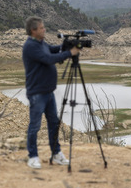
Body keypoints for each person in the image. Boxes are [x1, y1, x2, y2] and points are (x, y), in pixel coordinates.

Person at [22, 16, 80, 169]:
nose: (44, 29)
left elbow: (52, 49)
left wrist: (65, 46)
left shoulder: (40, 43)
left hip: (48, 92)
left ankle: (56, 153)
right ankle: (33, 156)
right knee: (35, 125)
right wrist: (70, 53)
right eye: (41, 28)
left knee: (54, 123)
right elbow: (48, 58)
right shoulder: (30, 46)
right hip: (37, 93)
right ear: (33, 30)